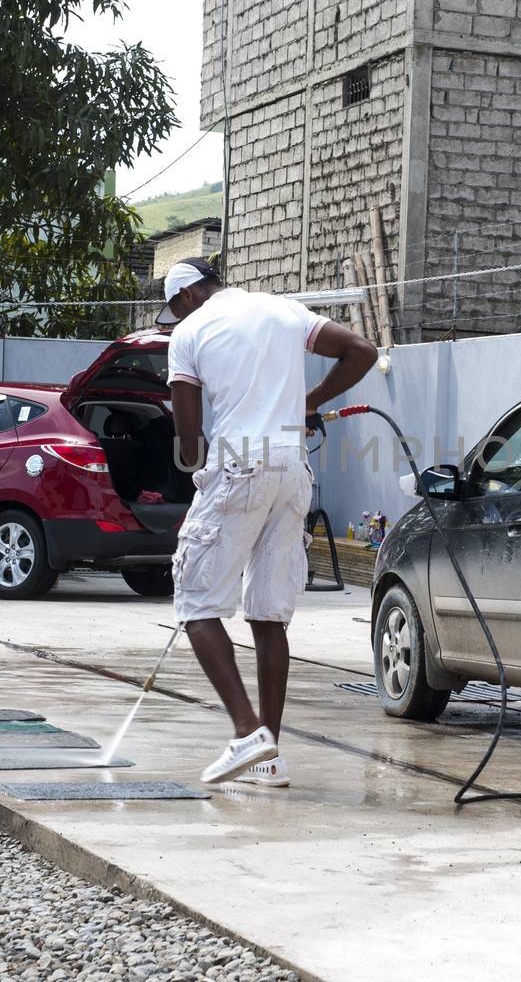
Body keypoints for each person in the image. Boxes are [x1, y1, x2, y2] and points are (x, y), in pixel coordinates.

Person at [161, 257, 377, 786]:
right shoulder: (283, 310)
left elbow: (189, 434)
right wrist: (309, 400)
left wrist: (196, 472)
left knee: (195, 599)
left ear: (187, 295)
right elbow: (362, 352)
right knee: (267, 613)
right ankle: (270, 755)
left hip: (240, 462)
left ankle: (245, 731)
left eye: (172, 307)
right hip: (292, 468)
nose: (174, 315)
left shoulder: (189, 331)